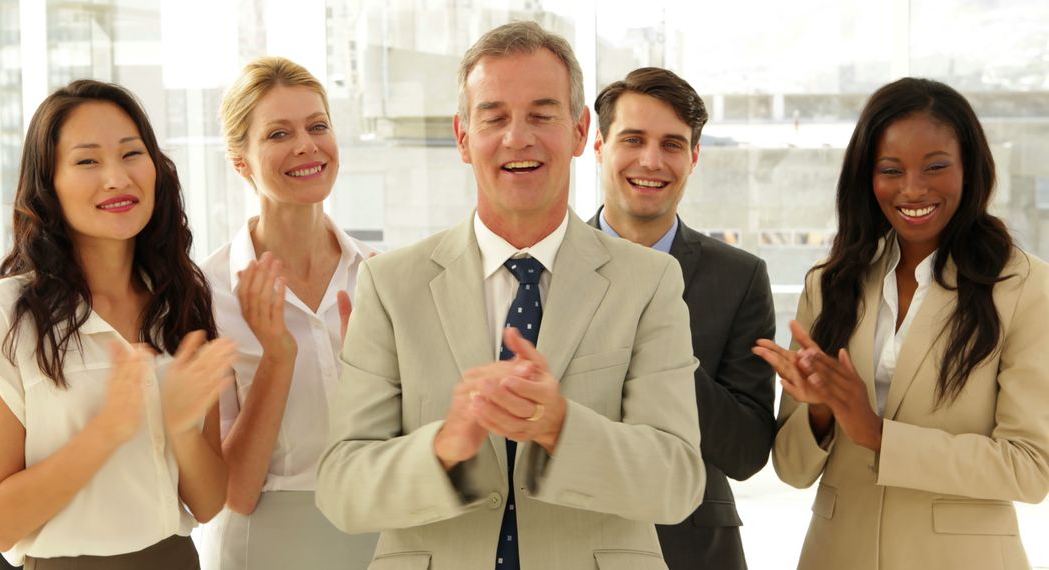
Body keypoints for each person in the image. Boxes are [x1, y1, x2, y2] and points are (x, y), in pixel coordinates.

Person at [316, 21, 706, 570]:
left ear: (578, 132)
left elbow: (678, 482)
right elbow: (342, 490)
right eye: (494, 117)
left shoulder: (649, 282)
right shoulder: (390, 285)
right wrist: (444, 448)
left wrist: (559, 428)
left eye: (542, 115)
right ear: (462, 137)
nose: (517, 137)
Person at [756, 77, 1049, 570]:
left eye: (936, 167)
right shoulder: (830, 285)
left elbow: (1029, 467)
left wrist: (877, 433)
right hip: (835, 555)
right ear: (867, 179)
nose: (912, 189)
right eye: (890, 170)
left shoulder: (1025, 287)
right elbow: (791, 468)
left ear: (969, 169)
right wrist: (824, 412)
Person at [0, 79, 232, 569]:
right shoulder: (5, 315)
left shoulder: (184, 301)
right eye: (87, 160)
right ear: (49, 184)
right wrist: (108, 429)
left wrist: (178, 427)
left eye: (131, 154)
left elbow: (210, 501)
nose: (116, 178)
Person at [590, 67, 776, 570]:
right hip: (567, 542)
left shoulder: (740, 277)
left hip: (693, 552)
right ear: (599, 145)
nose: (652, 160)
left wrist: (663, 348)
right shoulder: (547, 262)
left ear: (693, 157)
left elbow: (747, 452)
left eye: (672, 144)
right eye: (633, 139)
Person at [198, 56, 379, 569]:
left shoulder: (380, 278)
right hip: (261, 544)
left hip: (378, 535)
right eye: (278, 134)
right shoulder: (205, 294)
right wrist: (277, 357)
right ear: (241, 162)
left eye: (317, 126)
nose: (306, 145)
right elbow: (232, 490)